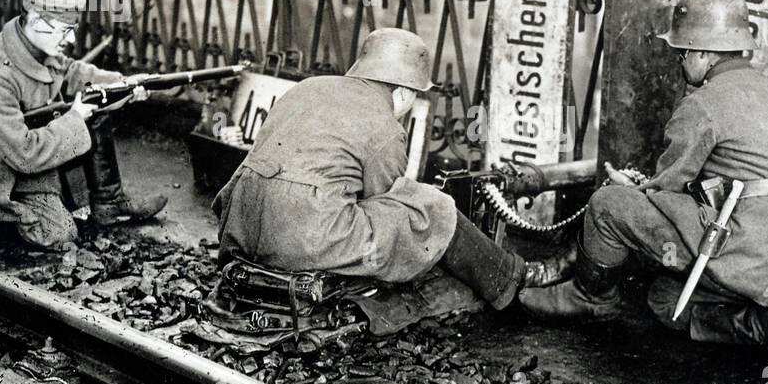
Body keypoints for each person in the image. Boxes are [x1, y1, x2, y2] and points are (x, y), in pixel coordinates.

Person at [519, 0, 768, 366]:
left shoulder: (702, 104)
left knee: (608, 205)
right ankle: (765, 323)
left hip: (738, 250)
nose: (681, 61)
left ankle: (590, 298)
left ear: (704, 53)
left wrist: (635, 188)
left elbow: (666, 184)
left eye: (683, 52)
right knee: (663, 300)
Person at [215, 27, 565, 311]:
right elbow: (385, 198)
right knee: (432, 208)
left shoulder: (308, 87)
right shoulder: (385, 125)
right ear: (401, 92)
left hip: (241, 227)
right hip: (300, 240)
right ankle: (511, 279)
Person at [0, 0, 167, 251]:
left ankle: (109, 202)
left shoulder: (35, 45)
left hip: (14, 164)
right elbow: (24, 153)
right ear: (35, 20)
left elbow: (72, 72)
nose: (71, 39)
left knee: (96, 102)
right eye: (65, 30)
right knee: (59, 234)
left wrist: (125, 85)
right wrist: (75, 119)